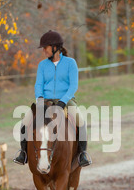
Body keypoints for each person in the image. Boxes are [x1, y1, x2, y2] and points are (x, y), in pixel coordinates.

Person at [13, 30, 92, 167]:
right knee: (25, 121)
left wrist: (63, 100)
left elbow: (73, 85)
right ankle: (23, 153)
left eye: (45, 47)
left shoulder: (70, 63)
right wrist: (39, 99)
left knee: (80, 120)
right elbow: (38, 84)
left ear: (55, 47)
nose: (44, 50)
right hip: (45, 101)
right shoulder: (42, 65)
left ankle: (82, 153)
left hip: (66, 101)